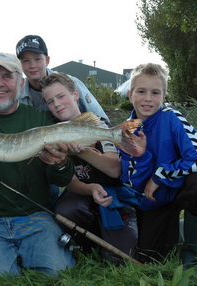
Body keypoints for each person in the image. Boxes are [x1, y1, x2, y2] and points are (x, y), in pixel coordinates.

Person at [0, 52, 76, 283]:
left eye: (7, 77)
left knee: (59, 273)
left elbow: (60, 179)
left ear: (20, 82)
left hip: (35, 216)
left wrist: (60, 163)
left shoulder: (42, 119)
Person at [120, 63, 197, 267]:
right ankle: (182, 228)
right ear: (130, 95)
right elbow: (132, 185)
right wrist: (142, 156)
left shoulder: (172, 118)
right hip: (155, 199)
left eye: (155, 92)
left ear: (164, 96)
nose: (148, 98)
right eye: (141, 91)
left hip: (183, 188)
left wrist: (160, 176)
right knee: (151, 256)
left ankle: (193, 251)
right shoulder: (125, 132)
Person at [39, 72, 140, 264]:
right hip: (83, 195)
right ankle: (89, 245)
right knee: (65, 209)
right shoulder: (54, 134)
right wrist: (91, 188)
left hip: (114, 196)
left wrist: (83, 152)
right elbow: (71, 183)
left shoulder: (100, 125)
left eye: (61, 96)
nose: (57, 104)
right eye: (50, 101)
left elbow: (114, 169)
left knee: (120, 260)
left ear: (75, 94)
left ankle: (123, 229)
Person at [15, 34, 109, 121]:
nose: (32, 65)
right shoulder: (17, 95)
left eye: (37, 59)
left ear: (47, 60)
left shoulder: (71, 83)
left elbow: (101, 119)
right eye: (26, 61)